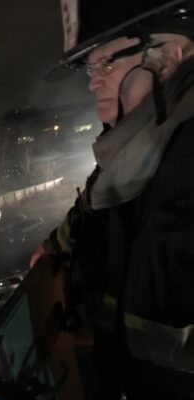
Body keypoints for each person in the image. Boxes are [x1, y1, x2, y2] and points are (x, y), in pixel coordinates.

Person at [31, 1, 194, 398]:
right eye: (91, 67)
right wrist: (51, 249)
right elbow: (90, 209)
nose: (92, 82)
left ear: (169, 58)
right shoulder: (128, 153)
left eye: (106, 64)